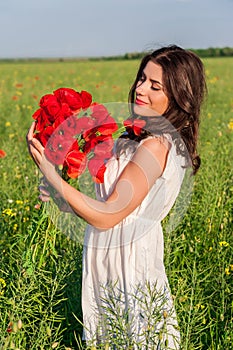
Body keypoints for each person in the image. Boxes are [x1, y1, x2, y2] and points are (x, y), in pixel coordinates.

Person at [27, 45, 207, 349]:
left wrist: (50, 172)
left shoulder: (156, 148)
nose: (141, 89)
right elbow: (107, 205)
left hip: (128, 261)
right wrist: (62, 196)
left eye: (155, 85)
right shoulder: (136, 139)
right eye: (141, 78)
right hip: (110, 253)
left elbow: (110, 215)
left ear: (178, 96)